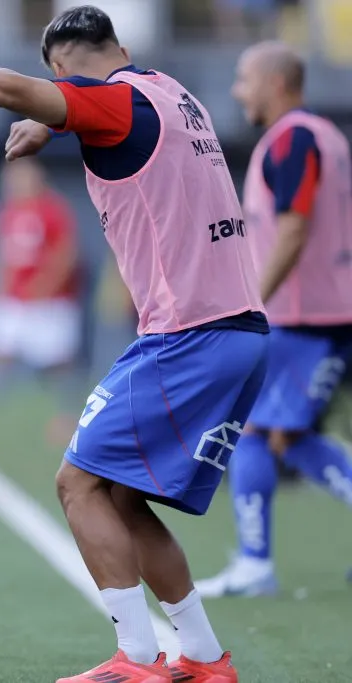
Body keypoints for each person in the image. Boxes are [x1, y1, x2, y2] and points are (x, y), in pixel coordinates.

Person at [0, 5, 268, 681]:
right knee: (118, 495)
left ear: (60, 69)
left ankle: (137, 659)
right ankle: (205, 657)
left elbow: (2, 83)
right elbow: (120, 127)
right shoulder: (172, 93)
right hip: (234, 329)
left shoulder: (110, 102)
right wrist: (54, 120)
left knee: (76, 483)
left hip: (188, 334)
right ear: (117, 45)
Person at [195, 40, 352, 598]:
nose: (238, 90)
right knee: (280, 433)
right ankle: (254, 562)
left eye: (244, 78)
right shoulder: (321, 135)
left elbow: (293, 228)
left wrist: (253, 302)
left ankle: (255, 564)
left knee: (262, 433)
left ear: (276, 83)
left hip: (303, 316)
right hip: (313, 313)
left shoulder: (294, 138)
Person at [0, 157, 81, 442]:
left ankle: (67, 415)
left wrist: (46, 284)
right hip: (15, 299)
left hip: (50, 303)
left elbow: (66, 253)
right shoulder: (9, 211)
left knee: (58, 364)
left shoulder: (54, 209)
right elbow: (5, 256)